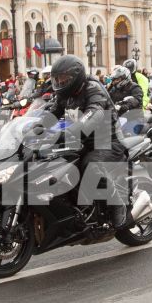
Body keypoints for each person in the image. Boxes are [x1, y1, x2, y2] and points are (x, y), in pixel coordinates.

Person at [46, 55, 128, 232]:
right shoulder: (64, 94)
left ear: (75, 77)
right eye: (57, 79)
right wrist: (34, 127)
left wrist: (66, 133)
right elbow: (52, 113)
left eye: (63, 79)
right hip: (81, 141)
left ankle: (117, 204)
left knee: (91, 165)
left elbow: (93, 115)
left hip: (107, 141)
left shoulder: (93, 89)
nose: (60, 83)